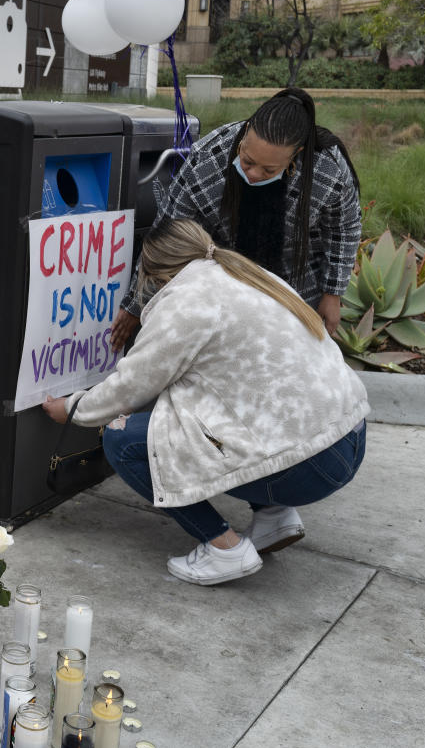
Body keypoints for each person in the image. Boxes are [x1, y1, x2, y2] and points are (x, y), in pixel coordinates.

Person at [43, 219, 369, 586]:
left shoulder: (185, 304)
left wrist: (72, 408)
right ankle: (274, 518)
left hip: (310, 462)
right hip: (348, 435)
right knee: (211, 413)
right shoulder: (244, 272)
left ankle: (225, 549)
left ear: (150, 273)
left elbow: (131, 387)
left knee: (124, 440)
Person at [111, 87, 360, 352]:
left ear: (296, 154)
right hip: (222, 285)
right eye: (248, 160)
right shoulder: (210, 156)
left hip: (296, 287)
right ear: (244, 135)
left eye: (269, 170)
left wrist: (332, 292)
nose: (253, 174)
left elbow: (344, 228)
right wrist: (136, 305)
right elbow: (169, 231)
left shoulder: (327, 168)